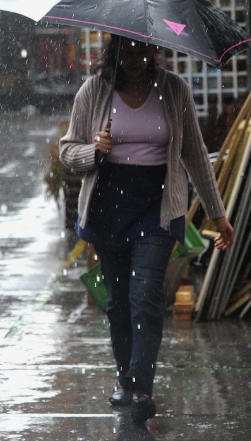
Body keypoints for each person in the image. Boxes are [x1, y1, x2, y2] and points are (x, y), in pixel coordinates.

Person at [59, 35, 234, 424]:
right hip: (108, 206)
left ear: (156, 50)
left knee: (146, 294)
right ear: (114, 50)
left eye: (143, 49)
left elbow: (195, 155)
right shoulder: (94, 91)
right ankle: (125, 377)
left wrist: (217, 213)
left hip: (158, 206)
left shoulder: (174, 90)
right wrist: (94, 150)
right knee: (118, 301)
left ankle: (141, 387)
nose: (136, 58)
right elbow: (67, 151)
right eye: (127, 49)